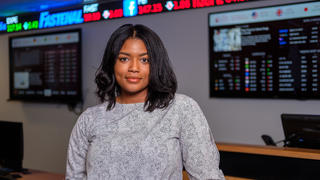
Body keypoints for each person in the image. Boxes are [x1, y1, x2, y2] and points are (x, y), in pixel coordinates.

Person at [66, 24, 225, 180]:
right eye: (124, 58)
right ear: (112, 64)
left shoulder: (181, 109)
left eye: (144, 60)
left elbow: (208, 176)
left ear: (156, 65)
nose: (134, 68)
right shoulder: (89, 120)